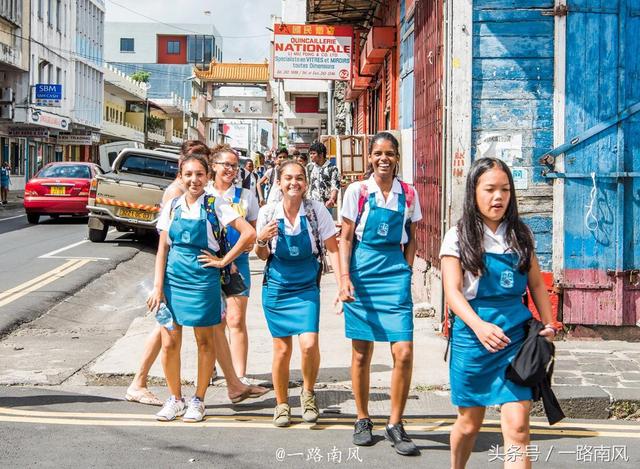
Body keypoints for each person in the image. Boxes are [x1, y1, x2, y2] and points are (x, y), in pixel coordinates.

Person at [127, 141, 268, 408]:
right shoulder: (173, 198)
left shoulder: (216, 201)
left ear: (206, 172)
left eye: (200, 171)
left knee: (210, 331)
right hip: (175, 278)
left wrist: (224, 260)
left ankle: (214, 391)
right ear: (182, 170)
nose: (195, 177)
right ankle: (150, 386)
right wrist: (158, 287)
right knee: (168, 332)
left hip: (203, 278)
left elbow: (245, 232)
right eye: (190, 171)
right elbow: (163, 248)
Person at [440, 157, 558, 469]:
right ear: (474, 192)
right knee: (469, 425)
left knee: (518, 427)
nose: (498, 197)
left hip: (515, 340)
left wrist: (549, 323)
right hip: (473, 340)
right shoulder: (457, 235)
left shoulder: (521, 235)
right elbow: (452, 293)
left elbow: (535, 282)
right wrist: (479, 326)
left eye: (505, 189)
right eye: (490, 189)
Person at [339, 132, 422, 456]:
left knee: (403, 351)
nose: (383, 159)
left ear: (397, 157)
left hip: (394, 275)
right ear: (370, 158)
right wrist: (345, 278)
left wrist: (407, 269)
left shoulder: (410, 194)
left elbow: (412, 237)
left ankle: (395, 422)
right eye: (378, 153)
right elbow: (345, 238)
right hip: (361, 274)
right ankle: (362, 418)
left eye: (389, 153)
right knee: (362, 352)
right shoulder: (357, 192)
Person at [255, 160, 341, 428]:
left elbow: (333, 249)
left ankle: (308, 393)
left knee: (309, 344)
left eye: (299, 178)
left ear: (306, 183)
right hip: (278, 286)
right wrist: (261, 239)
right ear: (279, 183)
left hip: (306, 287)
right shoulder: (268, 212)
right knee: (281, 349)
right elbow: (261, 256)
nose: (294, 183)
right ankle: (281, 404)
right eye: (288, 178)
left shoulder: (316, 212)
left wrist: (342, 284)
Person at [208, 144, 259, 383]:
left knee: (235, 320)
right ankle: (210, 369)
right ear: (214, 166)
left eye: (234, 166)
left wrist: (238, 252)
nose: (230, 169)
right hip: (208, 265)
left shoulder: (246, 196)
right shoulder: (204, 193)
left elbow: (253, 232)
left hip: (238, 264)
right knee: (212, 321)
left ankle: (240, 375)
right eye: (225, 164)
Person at [308, 141, 340, 217]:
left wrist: (331, 199)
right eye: (311, 153)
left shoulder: (332, 168)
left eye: (313, 153)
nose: (311, 156)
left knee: (326, 227)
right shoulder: (309, 167)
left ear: (321, 154)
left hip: (326, 205)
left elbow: (334, 186)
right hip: (311, 204)